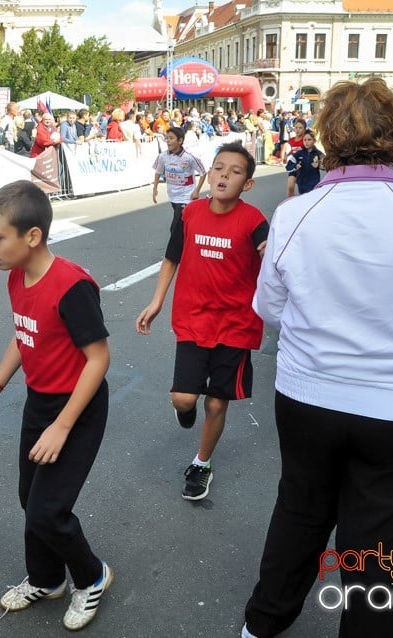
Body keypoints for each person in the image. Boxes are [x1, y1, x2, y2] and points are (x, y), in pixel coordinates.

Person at [242, 78, 393, 638]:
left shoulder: (296, 214)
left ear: (326, 137)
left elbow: (271, 309)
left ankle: (261, 625)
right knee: (379, 546)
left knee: (300, 513)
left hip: (310, 395)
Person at [0, 180, 113, 632]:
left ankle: (92, 576)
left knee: (48, 510)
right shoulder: (17, 274)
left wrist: (63, 426)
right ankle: (47, 579)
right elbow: (24, 333)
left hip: (78, 408)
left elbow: (99, 359)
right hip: (41, 402)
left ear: (32, 237)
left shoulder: (72, 286)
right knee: (28, 498)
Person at [135, 141, 268, 501]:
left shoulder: (254, 220)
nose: (224, 175)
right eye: (219, 167)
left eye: (235, 171)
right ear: (209, 173)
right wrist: (157, 300)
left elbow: (269, 254)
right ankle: (186, 409)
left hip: (237, 324)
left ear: (248, 184)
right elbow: (171, 258)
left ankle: (201, 463)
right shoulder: (190, 213)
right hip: (193, 319)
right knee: (182, 399)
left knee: (216, 403)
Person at [152, 127, 206, 233]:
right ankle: (190, 241)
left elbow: (203, 172)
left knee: (175, 228)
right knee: (182, 225)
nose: (168, 141)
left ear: (180, 141)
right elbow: (158, 171)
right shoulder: (162, 156)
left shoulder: (189, 157)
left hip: (187, 197)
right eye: (167, 138)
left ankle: (175, 249)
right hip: (173, 195)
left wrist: (197, 191)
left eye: (171, 138)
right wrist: (155, 188)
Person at [285, 129, 324, 194]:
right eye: (304, 140)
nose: (306, 142)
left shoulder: (319, 153)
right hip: (302, 185)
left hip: (314, 184)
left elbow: (328, 166)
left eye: (309, 140)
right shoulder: (299, 153)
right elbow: (288, 166)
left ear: (314, 141)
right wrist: (295, 166)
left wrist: (319, 165)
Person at [283, 118, 308, 197]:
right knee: (290, 187)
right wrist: (285, 156)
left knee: (304, 191)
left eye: (300, 128)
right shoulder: (291, 140)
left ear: (304, 129)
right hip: (294, 166)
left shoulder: (306, 140)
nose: (298, 130)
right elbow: (288, 151)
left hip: (304, 167)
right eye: (296, 127)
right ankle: (290, 205)